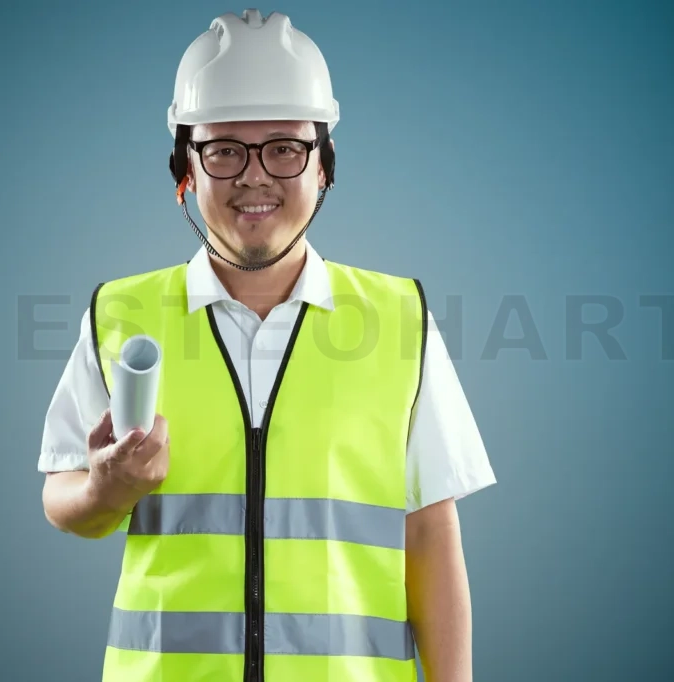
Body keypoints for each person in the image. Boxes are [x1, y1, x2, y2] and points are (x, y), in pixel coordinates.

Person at [39, 9, 496, 682]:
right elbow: (62, 495)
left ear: (324, 167)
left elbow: (430, 535)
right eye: (224, 149)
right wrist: (107, 491)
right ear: (185, 170)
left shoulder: (402, 319)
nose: (255, 176)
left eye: (285, 148)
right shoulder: (120, 315)